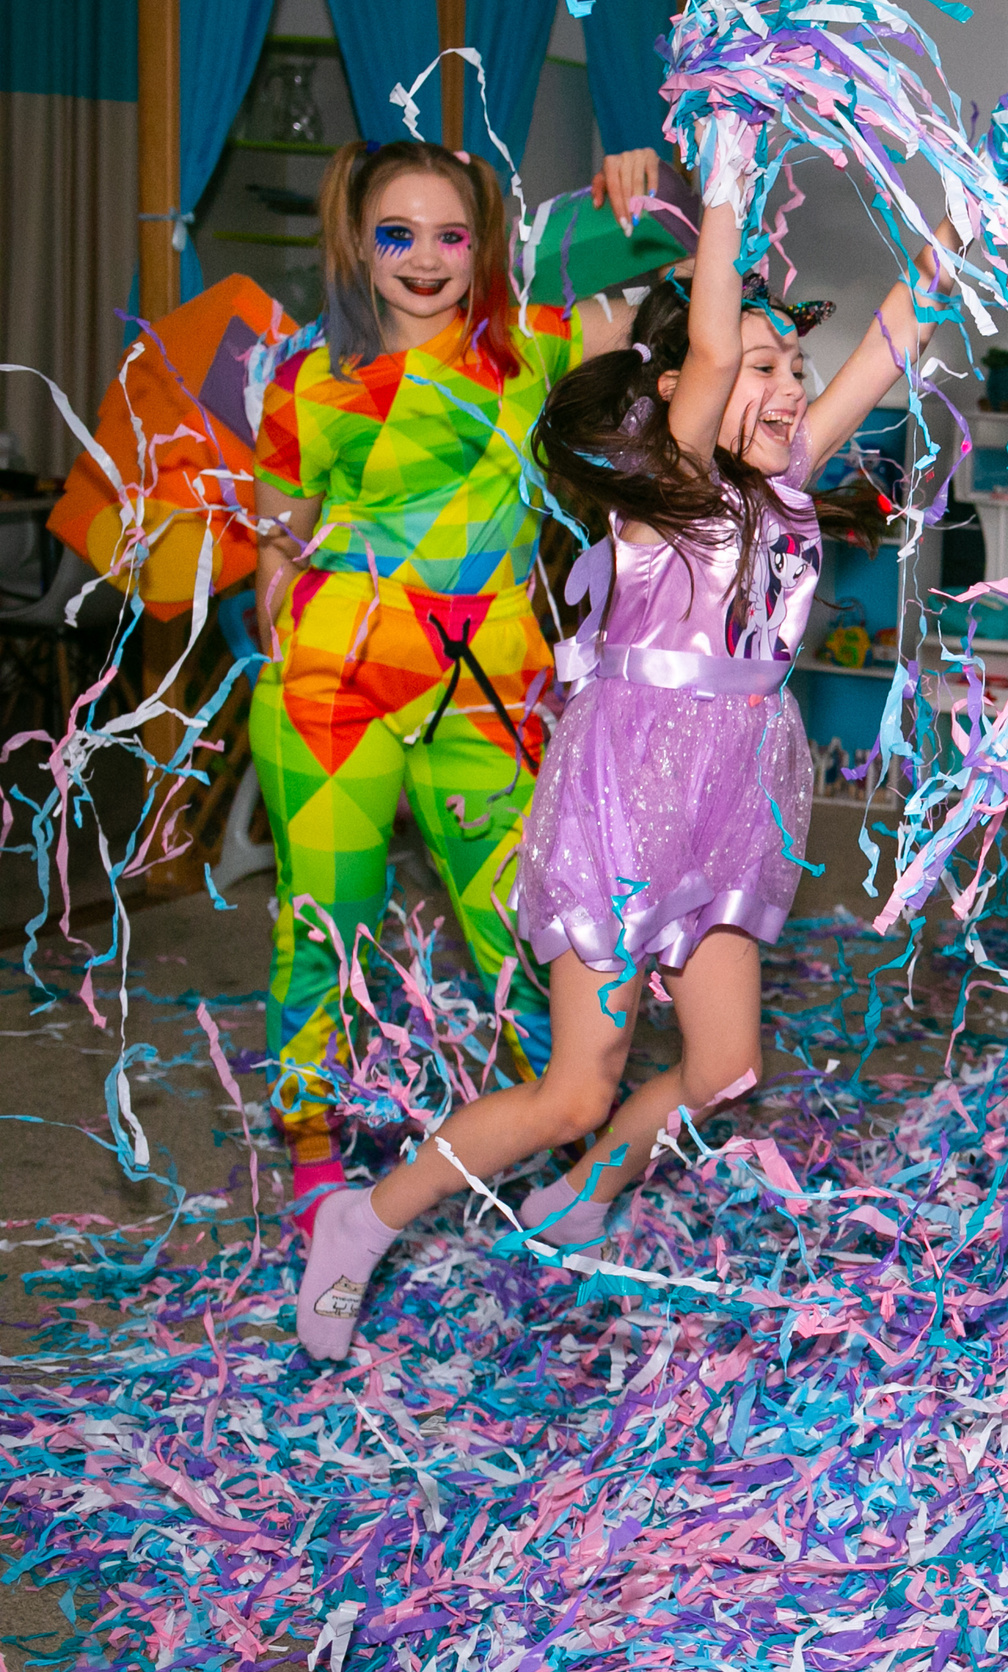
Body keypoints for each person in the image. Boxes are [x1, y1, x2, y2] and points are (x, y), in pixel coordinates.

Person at [292, 194, 959, 1360]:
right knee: (575, 1086)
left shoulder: (787, 485)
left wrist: (968, 222)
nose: (792, 385)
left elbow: (893, 338)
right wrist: (726, 186)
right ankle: (365, 1219)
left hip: (731, 805)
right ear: (680, 388)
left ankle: (585, 1190)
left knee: (726, 1064)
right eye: (764, 364)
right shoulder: (669, 491)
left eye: (796, 363)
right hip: (621, 807)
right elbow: (703, 350)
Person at [251, 140, 673, 1227]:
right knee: (327, 920)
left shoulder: (536, 349)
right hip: (334, 681)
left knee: (524, 923)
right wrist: (276, 578)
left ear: (485, 245)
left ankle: (547, 1118)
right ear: (358, 241)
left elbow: (676, 263)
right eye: (398, 233)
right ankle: (311, 1144)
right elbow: (279, 524)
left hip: (494, 685)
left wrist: (634, 182)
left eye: (452, 234)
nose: (427, 259)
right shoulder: (311, 382)